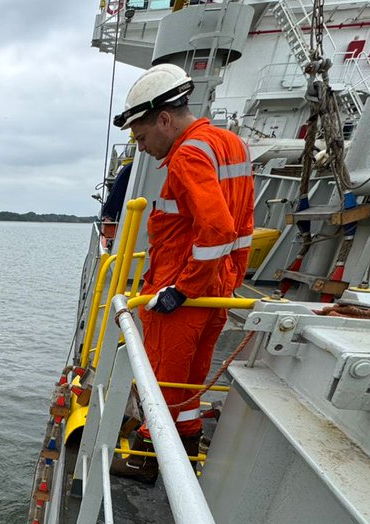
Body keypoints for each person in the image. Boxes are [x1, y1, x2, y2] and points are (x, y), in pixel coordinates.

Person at [107, 63, 254, 485]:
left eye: (142, 136)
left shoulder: (189, 152)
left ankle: (147, 459)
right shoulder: (231, 144)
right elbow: (240, 228)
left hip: (184, 292)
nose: (144, 148)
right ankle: (187, 445)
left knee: (161, 380)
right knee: (190, 379)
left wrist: (181, 289)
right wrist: (221, 282)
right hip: (219, 290)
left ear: (165, 119)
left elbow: (218, 228)